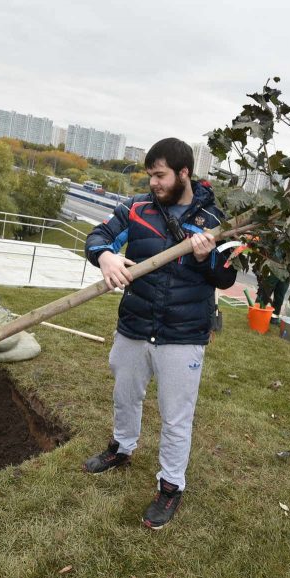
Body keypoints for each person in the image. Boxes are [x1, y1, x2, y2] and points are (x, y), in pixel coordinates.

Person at [82, 138, 237, 530]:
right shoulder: (136, 209)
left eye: (160, 175)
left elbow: (227, 275)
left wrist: (206, 258)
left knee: (175, 416)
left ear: (184, 173)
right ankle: (122, 447)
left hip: (183, 334)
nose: (153, 182)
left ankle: (170, 486)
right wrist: (105, 256)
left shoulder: (215, 220)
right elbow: (98, 235)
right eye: (150, 175)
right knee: (125, 394)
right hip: (135, 325)